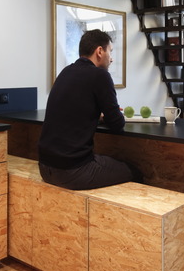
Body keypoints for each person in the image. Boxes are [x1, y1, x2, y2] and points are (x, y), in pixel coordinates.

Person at [38, 29, 141, 190]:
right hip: (72, 171)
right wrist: (108, 115)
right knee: (134, 171)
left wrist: (95, 114)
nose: (111, 59)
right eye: (110, 52)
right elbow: (117, 124)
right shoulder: (100, 76)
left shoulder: (66, 72)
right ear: (100, 51)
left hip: (45, 168)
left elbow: (74, 109)